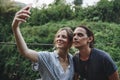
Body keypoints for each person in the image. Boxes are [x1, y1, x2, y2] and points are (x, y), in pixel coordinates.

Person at [12, 4, 74, 80]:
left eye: (63, 37)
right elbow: (25, 52)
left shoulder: (73, 60)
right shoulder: (47, 57)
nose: (59, 39)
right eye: (58, 36)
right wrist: (15, 27)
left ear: (70, 42)